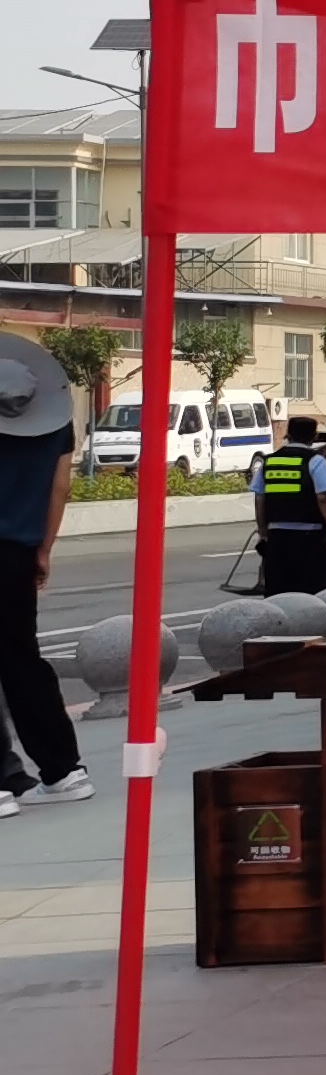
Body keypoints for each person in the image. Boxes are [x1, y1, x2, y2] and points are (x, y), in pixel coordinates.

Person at [0, 344, 87, 812]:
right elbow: (61, 489)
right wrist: (44, 550)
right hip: (18, 554)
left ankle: (3, 783)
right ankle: (63, 770)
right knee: (23, 661)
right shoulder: (57, 428)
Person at [253, 408, 326, 593]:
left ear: (288, 435)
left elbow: (260, 499)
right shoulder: (316, 461)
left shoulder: (269, 462)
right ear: (314, 437)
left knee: (279, 591)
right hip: (311, 539)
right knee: (310, 592)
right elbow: (324, 498)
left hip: (277, 537)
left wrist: (263, 531)